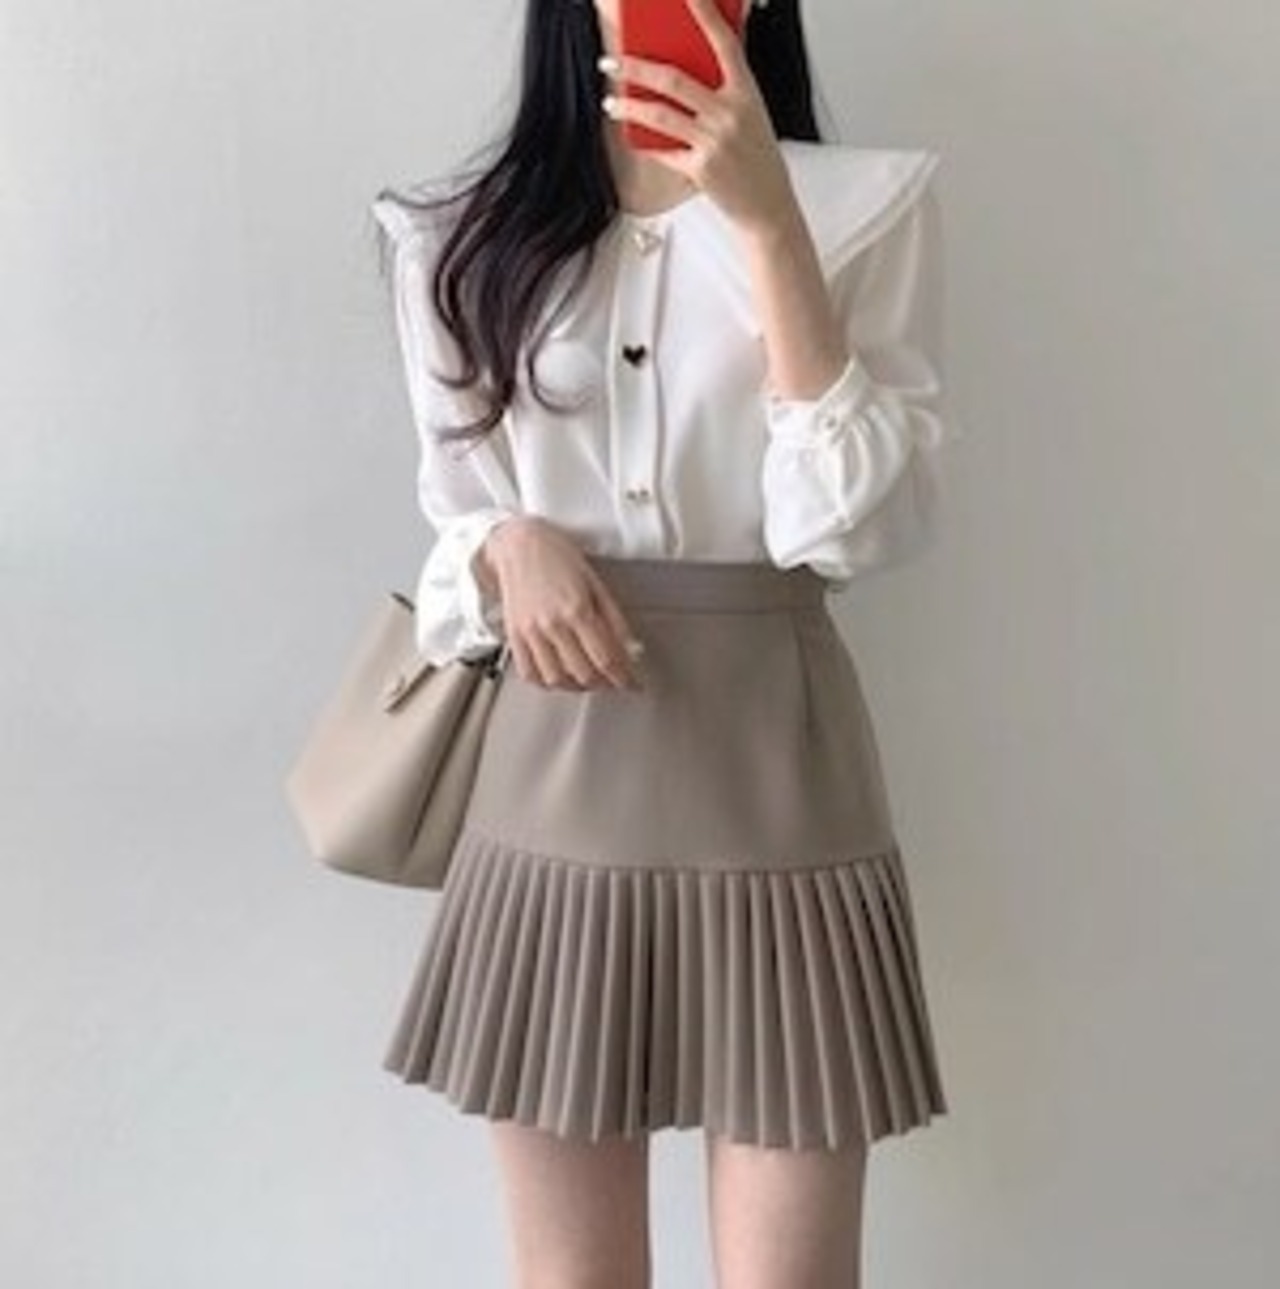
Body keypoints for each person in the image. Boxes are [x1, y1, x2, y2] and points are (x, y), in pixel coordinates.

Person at [369, 0, 963, 1284]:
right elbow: (455, 516)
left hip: (783, 790)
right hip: (555, 789)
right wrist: (505, 544)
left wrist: (766, 222)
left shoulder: (867, 207)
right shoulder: (451, 236)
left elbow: (856, 527)